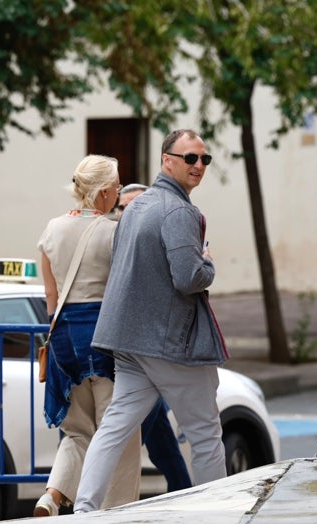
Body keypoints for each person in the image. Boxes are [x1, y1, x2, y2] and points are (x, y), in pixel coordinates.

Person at [74, 129, 229, 513]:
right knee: (206, 434)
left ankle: (84, 509)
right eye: (190, 158)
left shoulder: (137, 206)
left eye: (204, 159)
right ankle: (218, 514)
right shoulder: (179, 211)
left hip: (127, 338)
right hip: (168, 341)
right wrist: (207, 263)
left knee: (114, 427)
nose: (198, 166)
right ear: (167, 160)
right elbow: (188, 277)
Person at [34, 155, 141, 516]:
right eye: (117, 185)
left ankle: (52, 494)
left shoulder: (52, 229)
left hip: (63, 337)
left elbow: (51, 297)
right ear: (106, 191)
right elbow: (126, 291)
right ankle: (117, 512)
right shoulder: (115, 231)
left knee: (77, 432)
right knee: (118, 432)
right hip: (105, 337)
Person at [116, 182, 193, 493]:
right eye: (122, 208)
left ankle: (183, 491)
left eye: (134, 207)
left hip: (150, 353)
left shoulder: (158, 243)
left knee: (152, 430)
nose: (127, 213)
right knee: (142, 432)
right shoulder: (111, 241)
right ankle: (182, 489)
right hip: (121, 357)